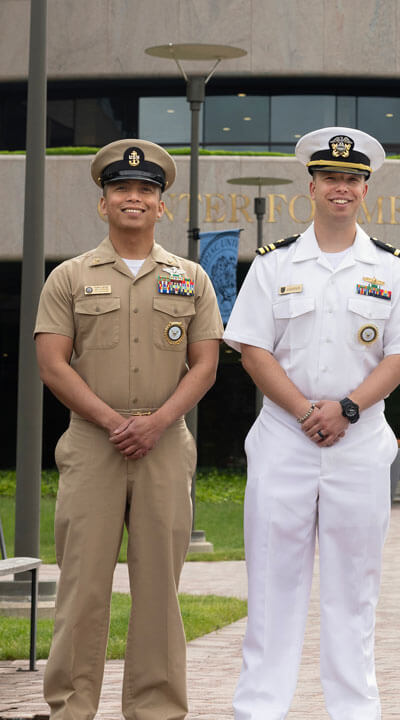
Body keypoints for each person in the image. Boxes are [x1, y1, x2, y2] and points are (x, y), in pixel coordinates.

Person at [223, 126, 400, 719]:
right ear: (311, 186)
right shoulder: (275, 264)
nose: (342, 188)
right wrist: (303, 410)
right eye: (331, 177)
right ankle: (258, 710)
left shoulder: (392, 268)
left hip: (359, 441)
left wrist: (347, 409)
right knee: (272, 587)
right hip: (284, 439)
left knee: (354, 590)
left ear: (366, 189)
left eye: (352, 179)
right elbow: (253, 349)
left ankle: (354, 711)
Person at [34, 139, 223, 719]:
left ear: (162, 205)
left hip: (165, 445)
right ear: (103, 203)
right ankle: (71, 708)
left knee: (160, 587)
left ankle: (156, 709)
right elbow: (52, 364)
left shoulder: (191, 277)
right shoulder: (69, 277)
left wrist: (157, 423)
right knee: (82, 585)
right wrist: (116, 422)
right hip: (93, 444)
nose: (133, 198)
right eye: (121, 189)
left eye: (145, 190)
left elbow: (206, 365)